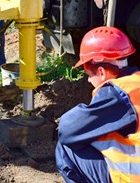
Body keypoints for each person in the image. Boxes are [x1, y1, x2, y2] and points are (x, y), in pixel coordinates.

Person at [55, 26, 140, 182]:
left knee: (66, 147)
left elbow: (67, 130)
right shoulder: (136, 83)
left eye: (88, 74)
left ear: (101, 72)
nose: (88, 80)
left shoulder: (119, 94)